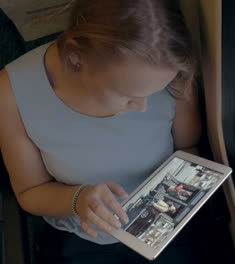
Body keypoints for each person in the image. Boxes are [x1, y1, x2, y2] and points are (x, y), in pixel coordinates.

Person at [0, 0, 204, 263]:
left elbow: (188, 147)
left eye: (154, 93)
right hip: (83, 234)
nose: (143, 107)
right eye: (128, 95)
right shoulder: (11, 94)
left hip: (163, 221)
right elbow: (30, 191)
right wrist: (78, 200)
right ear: (77, 59)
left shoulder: (169, 68)